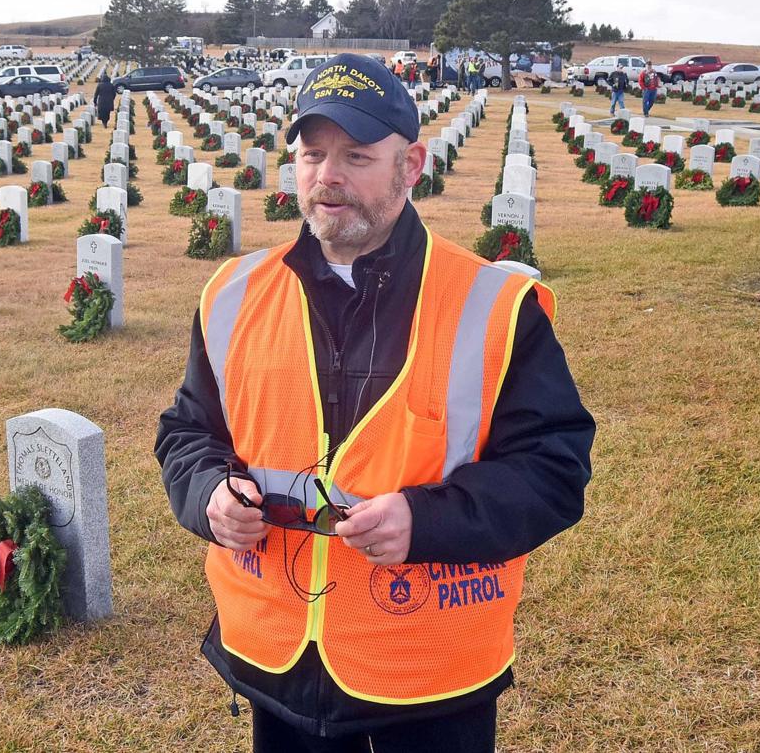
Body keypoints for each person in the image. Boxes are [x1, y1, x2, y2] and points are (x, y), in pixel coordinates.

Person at [156, 52, 595, 753]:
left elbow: (553, 471)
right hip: (279, 665)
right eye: (312, 153)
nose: (327, 175)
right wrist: (207, 493)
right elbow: (187, 432)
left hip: (427, 676)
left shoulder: (495, 306)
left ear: (411, 165)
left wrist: (427, 520)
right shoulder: (233, 294)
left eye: (357, 155)